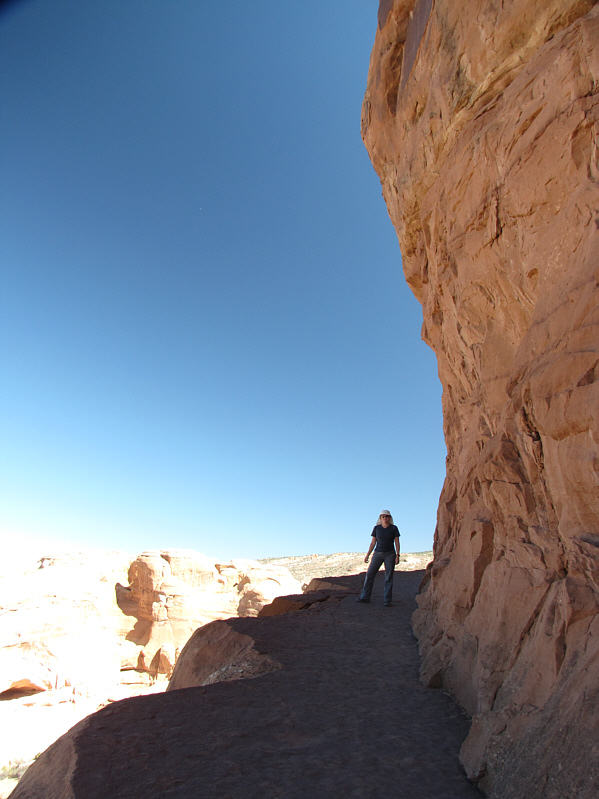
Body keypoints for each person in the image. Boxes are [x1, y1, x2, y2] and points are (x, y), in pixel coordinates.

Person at [356, 511, 400, 606]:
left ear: (390, 518)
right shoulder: (377, 528)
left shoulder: (393, 528)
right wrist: (367, 554)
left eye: (387, 516)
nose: (385, 518)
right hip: (377, 554)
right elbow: (373, 543)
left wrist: (398, 555)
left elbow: (397, 542)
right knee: (370, 574)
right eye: (383, 516)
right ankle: (365, 597)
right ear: (380, 518)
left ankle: (387, 600)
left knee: (388, 576)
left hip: (390, 554)